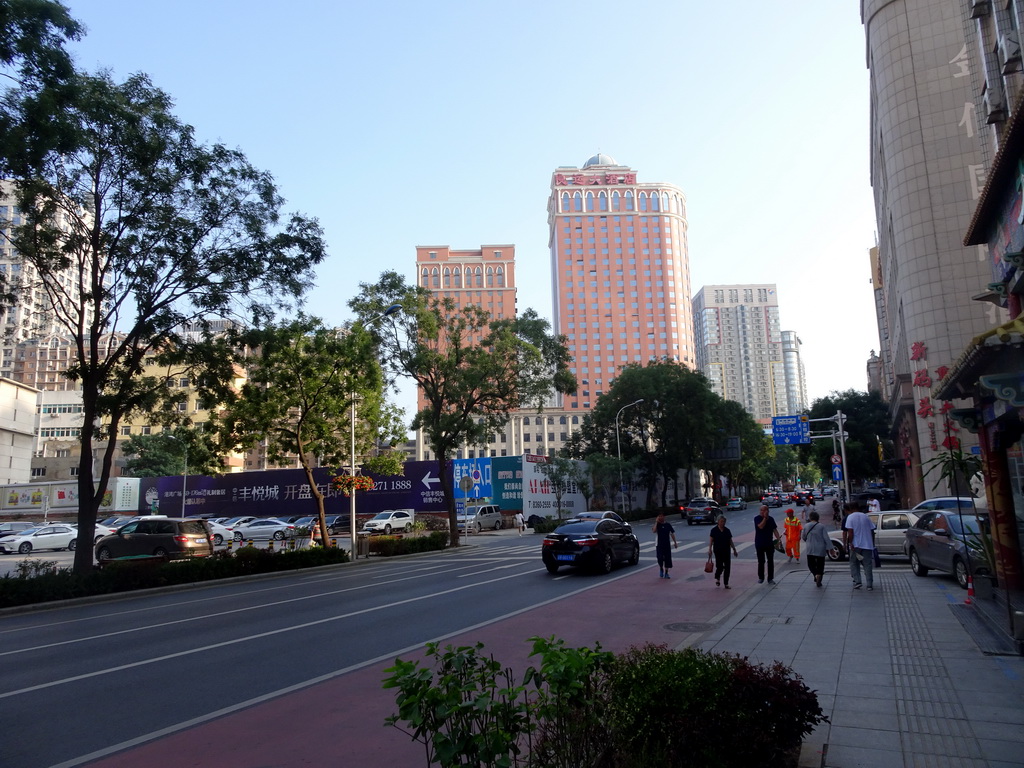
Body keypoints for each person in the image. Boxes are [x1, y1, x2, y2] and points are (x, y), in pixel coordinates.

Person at [843, 501, 877, 590]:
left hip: (856, 544)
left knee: (854, 563)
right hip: (867, 545)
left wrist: (851, 543)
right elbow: (872, 530)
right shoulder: (866, 516)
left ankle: (858, 581)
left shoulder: (850, 517)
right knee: (867, 565)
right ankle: (869, 584)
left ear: (851, 508)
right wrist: (872, 543)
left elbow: (850, 532)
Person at [753, 504, 782, 584]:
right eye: (761, 510)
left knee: (770, 561)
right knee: (761, 561)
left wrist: (778, 539)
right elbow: (760, 526)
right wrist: (765, 518)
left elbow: (774, 530)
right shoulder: (757, 518)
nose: (763, 512)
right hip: (759, 543)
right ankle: (761, 577)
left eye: (764, 510)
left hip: (769, 543)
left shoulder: (771, 519)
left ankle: (770, 578)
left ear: (768, 511)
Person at [802, 510, 832, 587]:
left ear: (810, 517)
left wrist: (808, 540)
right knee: (820, 564)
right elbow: (826, 538)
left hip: (810, 547)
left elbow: (803, 537)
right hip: (820, 548)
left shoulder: (806, 526)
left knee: (811, 564)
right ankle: (819, 577)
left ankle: (815, 574)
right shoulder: (821, 526)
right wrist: (830, 548)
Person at [708, 514, 738, 588]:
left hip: (726, 551)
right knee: (720, 566)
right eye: (721, 521)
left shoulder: (727, 530)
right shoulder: (714, 530)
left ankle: (726, 583)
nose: (723, 523)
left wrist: (734, 549)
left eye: (724, 522)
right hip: (718, 551)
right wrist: (709, 549)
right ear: (718, 522)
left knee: (727, 567)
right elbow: (711, 541)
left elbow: (730, 541)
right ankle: (717, 577)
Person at [652, 511, 678, 579]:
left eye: (662, 516)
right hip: (659, 544)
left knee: (667, 559)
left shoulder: (668, 525)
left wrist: (675, 542)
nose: (661, 517)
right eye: (659, 516)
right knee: (659, 558)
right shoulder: (657, 525)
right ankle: (661, 568)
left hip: (666, 544)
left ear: (664, 517)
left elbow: (672, 533)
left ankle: (666, 572)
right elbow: (654, 531)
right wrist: (656, 522)